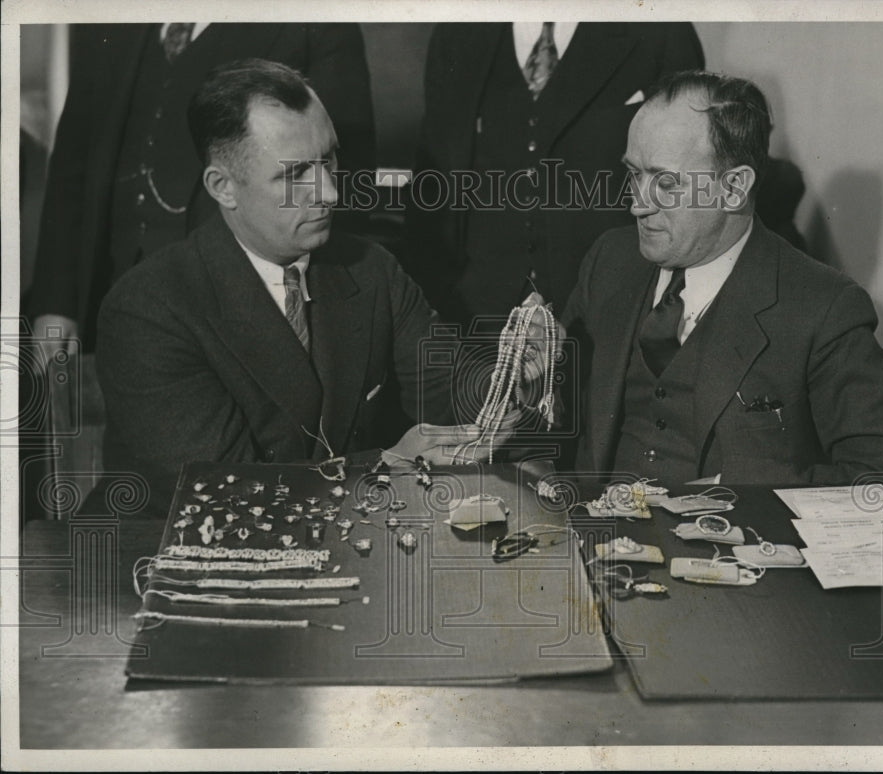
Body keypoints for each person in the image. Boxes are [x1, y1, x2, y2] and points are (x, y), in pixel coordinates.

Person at [92, 59, 447, 517]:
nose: (329, 193)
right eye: (295, 174)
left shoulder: (371, 269)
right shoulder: (146, 310)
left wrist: (519, 372)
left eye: (329, 159)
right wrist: (389, 464)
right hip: (174, 561)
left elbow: (451, 392)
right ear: (223, 187)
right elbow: (228, 494)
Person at [561, 70, 883, 485]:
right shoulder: (611, 259)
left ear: (733, 188)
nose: (638, 206)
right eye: (634, 175)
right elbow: (559, 402)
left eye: (665, 183)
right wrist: (531, 372)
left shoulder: (824, 309)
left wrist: (741, 494)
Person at [27, 23, 375, 365]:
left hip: (235, 325)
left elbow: (339, 185)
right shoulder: (109, 20)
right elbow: (72, 168)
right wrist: (56, 302)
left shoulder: (316, 23)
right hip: (99, 314)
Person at [406, 22, 706, 325]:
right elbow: (432, 189)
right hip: (476, 321)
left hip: (609, 319)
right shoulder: (457, 32)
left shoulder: (661, 28)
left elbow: (687, 193)